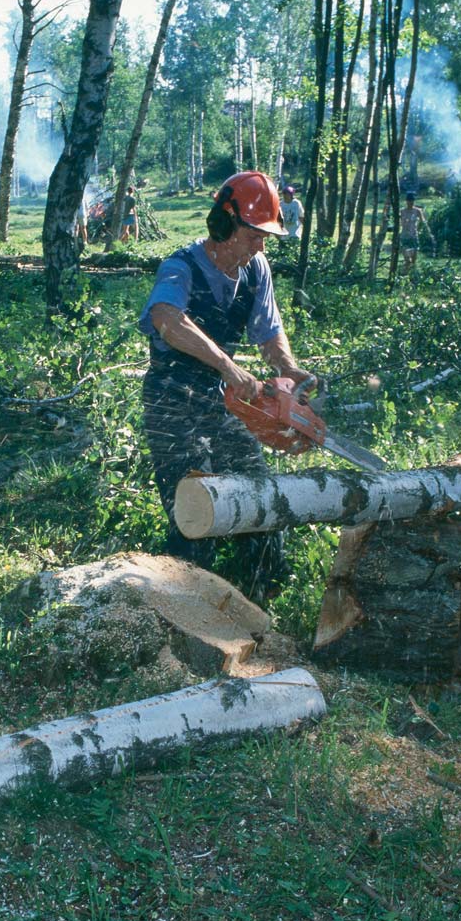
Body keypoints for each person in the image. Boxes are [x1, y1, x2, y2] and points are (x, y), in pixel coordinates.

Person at [139, 170, 314, 601]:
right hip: (171, 403)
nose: (260, 245)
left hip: (222, 405)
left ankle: (263, 597)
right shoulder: (181, 267)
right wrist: (226, 366)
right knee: (196, 506)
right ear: (224, 224)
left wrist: (288, 371)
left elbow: (269, 331)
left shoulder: (256, 269)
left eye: (264, 237)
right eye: (254, 235)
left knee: (258, 494)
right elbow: (166, 319)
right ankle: (178, 601)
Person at [398, 191, 434, 272]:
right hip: (404, 236)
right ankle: (405, 272)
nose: (410, 202)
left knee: (413, 260)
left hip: (414, 236)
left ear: (414, 201)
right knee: (407, 259)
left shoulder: (417, 211)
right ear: (406, 201)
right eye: (409, 201)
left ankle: (411, 274)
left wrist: (419, 229)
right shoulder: (402, 211)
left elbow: (423, 221)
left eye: (412, 201)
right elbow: (399, 222)